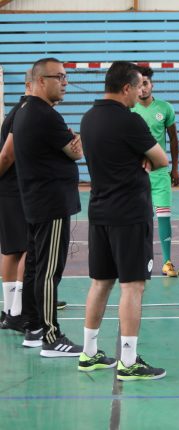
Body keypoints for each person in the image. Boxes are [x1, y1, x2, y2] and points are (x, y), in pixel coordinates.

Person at [79, 61, 167, 379]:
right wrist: (141, 157)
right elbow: (161, 159)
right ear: (127, 88)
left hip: (99, 211)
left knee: (100, 282)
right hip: (129, 213)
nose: (142, 91)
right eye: (139, 85)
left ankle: (88, 353)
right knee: (133, 286)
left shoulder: (88, 119)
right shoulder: (130, 121)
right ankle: (128, 361)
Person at [12, 57, 82, 356]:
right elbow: (76, 152)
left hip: (35, 199)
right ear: (41, 81)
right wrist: (75, 138)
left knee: (35, 266)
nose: (65, 82)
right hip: (51, 202)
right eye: (59, 77)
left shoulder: (24, 111)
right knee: (49, 270)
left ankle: (33, 328)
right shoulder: (45, 115)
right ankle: (52, 337)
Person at [132, 66, 179, 277]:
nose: (142, 89)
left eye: (145, 83)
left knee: (163, 216)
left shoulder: (165, 108)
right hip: (136, 172)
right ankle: (139, 260)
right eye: (138, 84)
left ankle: (168, 261)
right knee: (140, 218)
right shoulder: (130, 109)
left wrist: (176, 168)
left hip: (160, 172)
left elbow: (173, 139)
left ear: (152, 85)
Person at [0, 70, 31, 332]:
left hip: (10, 191)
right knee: (24, 249)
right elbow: (6, 156)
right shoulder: (25, 112)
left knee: (10, 249)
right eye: (59, 77)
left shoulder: (17, 110)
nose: (64, 82)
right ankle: (18, 310)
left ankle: (10, 309)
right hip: (16, 190)